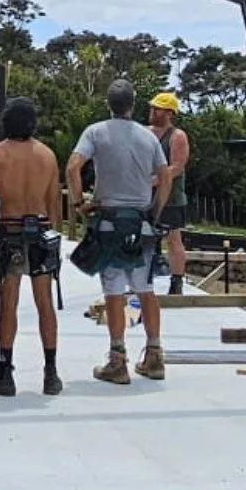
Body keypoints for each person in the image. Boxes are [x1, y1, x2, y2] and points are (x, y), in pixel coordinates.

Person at [65, 79, 171, 385]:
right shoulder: (147, 137)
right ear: (133, 104)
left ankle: (118, 360)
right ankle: (154, 357)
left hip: (109, 224)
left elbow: (73, 167)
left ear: (108, 104)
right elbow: (164, 177)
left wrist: (78, 203)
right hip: (141, 224)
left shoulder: (96, 132)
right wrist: (155, 210)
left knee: (113, 293)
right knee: (146, 290)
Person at [0, 96, 64, 398]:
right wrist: (54, 241)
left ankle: (5, 372)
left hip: (9, 233)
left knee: (7, 304)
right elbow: (54, 206)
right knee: (45, 303)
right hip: (40, 233)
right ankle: (50, 374)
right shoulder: (48, 156)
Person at [146, 90, 189, 294]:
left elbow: (177, 167)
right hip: (147, 197)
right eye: (152, 108)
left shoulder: (177, 136)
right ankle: (143, 278)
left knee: (173, 238)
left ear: (169, 113)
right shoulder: (146, 133)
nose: (152, 112)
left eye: (157, 109)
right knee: (143, 235)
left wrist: (155, 180)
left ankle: (177, 281)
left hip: (171, 197)